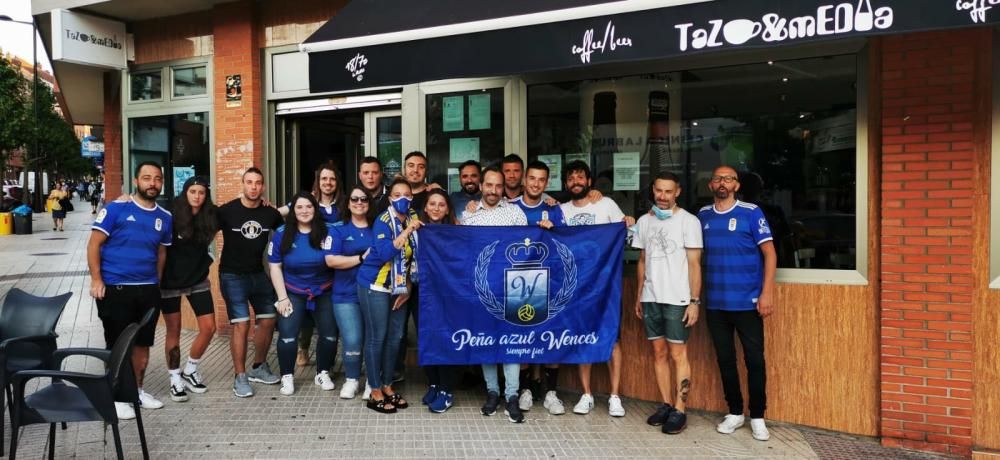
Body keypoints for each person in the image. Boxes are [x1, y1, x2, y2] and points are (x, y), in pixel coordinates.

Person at [88, 161, 172, 420]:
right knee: (117, 346)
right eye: (147, 178)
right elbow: (93, 245)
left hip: (147, 290)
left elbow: (161, 253)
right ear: (136, 181)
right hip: (116, 288)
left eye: (157, 179)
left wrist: (155, 284)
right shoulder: (116, 209)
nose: (152, 183)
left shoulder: (165, 217)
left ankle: (136, 391)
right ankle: (116, 397)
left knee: (143, 345)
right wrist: (96, 280)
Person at [698, 165, 777, 442]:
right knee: (725, 361)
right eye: (718, 178)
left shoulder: (751, 212)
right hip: (716, 304)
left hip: (748, 303)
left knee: (755, 361)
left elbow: (770, 253)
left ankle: (757, 416)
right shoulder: (703, 216)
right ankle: (734, 412)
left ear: (736, 185)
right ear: (711, 185)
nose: (723, 182)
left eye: (728, 178)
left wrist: (766, 292)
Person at [559, 160, 635, 417]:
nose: (576, 182)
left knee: (611, 337)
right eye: (571, 178)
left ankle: (615, 396)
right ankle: (586, 394)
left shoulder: (606, 204)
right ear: (566, 183)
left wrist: (628, 222)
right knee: (583, 336)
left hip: (605, 285)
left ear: (589, 181)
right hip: (575, 287)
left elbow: (629, 236)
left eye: (581, 177)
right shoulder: (560, 210)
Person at [632, 172, 703, 434]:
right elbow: (642, 260)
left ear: (678, 192)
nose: (662, 196)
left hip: (678, 299)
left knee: (677, 354)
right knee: (658, 353)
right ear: (653, 190)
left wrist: (695, 301)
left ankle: (680, 409)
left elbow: (695, 265)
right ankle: (664, 404)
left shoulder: (689, 221)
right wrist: (640, 294)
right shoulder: (644, 221)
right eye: (658, 191)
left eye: (668, 191)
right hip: (652, 297)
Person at [461, 166, 529, 423]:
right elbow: (463, 253)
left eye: (498, 186)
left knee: (510, 343)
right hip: (480, 290)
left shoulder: (515, 213)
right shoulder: (468, 217)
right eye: (488, 185)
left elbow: (527, 248)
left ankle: (511, 395)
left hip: (510, 289)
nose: (492, 190)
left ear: (504, 188)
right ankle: (492, 391)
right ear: (481, 186)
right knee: (485, 341)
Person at [356, 177, 421, 413]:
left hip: (399, 287)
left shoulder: (414, 216)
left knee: (395, 338)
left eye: (407, 194)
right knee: (377, 338)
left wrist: (408, 287)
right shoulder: (383, 221)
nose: (403, 198)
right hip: (375, 285)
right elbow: (385, 253)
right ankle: (374, 390)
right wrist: (407, 232)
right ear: (390, 197)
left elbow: (414, 258)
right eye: (397, 195)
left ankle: (387, 384)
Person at [217, 167, 284, 398]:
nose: (254, 187)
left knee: (268, 319)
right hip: (231, 275)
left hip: (257, 274)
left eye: (258, 183)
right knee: (242, 324)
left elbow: (287, 227)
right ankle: (240, 376)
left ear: (262, 187)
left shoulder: (270, 213)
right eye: (249, 182)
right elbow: (202, 228)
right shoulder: (227, 211)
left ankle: (258, 366)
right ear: (242, 184)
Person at [267, 192, 339, 396]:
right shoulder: (282, 233)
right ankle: (287, 377)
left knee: (329, 335)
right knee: (288, 336)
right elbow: (275, 266)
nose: (304, 211)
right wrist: (282, 297)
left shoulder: (328, 232)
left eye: (309, 206)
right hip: (292, 291)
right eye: (299, 207)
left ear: (315, 209)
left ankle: (322, 372)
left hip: (324, 290)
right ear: (293, 210)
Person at [510, 160, 567, 416]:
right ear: (524, 180)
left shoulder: (554, 209)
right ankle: (525, 390)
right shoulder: (509, 208)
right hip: (518, 284)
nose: (536, 184)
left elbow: (568, 243)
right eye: (531, 178)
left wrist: (554, 232)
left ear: (547, 182)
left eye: (541, 180)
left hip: (550, 281)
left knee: (551, 338)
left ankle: (551, 392)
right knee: (522, 338)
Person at [277, 161, 346, 368]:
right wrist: (262, 209)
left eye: (332, 179)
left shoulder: (344, 203)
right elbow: (279, 212)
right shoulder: (309, 201)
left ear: (337, 182)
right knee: (305, 315)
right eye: (324, 178)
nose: (328, 182)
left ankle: (327, 365)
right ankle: (303, 348)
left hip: (336, 267)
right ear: (318, 180)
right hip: (308, 267)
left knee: (329, 319)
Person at [160, 176, 218, 403]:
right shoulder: (170, 213)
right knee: (173, 330)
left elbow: (237, 211)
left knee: (209, 327)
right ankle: (175, 378)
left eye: (201, 192)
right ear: (186, 192)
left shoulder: (210, 215)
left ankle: (190, 369)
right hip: (170, 281)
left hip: (197, 278)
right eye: (193, 191)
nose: (197, 196)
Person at [328, 185, 374, 399]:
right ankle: (352, 379)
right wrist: (360, 258)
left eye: (364, 199)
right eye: (354, 199)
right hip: (345, 294)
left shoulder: (378, 228)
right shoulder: (338, 230)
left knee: (373, 339)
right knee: (353, 339)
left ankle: (372, 382)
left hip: (375, 293)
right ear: (348, 203)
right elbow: (331, 260)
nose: (359, 202)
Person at [416, 189, 459, 413]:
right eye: (432, 203)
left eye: (441, 204)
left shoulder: (456, 231)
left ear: (448, 209)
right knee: (427, 338)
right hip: (422, 294)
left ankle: (446, 390)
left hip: (448, 295)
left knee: (446, 339)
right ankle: (433, 383)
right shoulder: (417, 230)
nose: (436, 208)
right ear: (425, 207)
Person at [358, 157, 389, 222]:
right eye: (366, 173)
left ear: (381, 174)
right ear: (360, 176)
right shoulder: (353, 198)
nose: (370, 177)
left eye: (375, 172)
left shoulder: (392, 195)